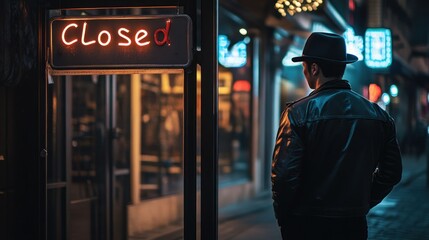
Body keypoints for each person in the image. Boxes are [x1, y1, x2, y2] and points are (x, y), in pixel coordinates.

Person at [271, 32, 402, 240]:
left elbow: (285, 178)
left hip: (306, 223)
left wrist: (286, 219)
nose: (304, 72)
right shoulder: (378, 116)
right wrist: (363, 201)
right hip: (353, 225)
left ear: (314, 68)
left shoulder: (297, 114)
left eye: (305, 66)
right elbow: (392, 172)